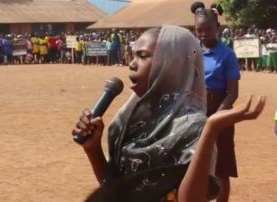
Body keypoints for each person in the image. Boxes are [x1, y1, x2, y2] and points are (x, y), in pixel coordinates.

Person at [73, 25, 215, 202]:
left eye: (142, 56)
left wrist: (211, 131)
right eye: (132, 55)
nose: (132, 64)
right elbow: (114, 189)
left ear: (171, 65)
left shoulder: (193, 128)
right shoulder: (126, 121)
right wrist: (93, 150)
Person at [191, 2, 240, 202]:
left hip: (220, 110)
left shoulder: (227, 54)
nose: (203, 34)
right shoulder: (192, 53)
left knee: (221, 167)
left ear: (217, 28)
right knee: (195, 164)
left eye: (208, 29)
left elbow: (233, 93)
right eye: (199, 30)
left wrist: (216, 117)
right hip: (194, 112)